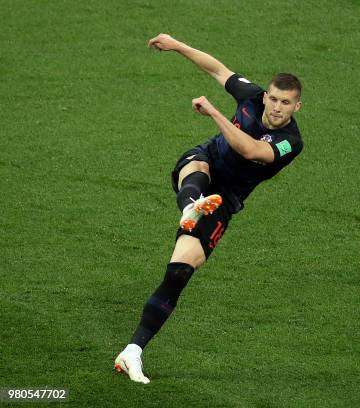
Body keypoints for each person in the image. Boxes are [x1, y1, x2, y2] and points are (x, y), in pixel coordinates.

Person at [114, 33, 303, 384]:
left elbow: (251, 151)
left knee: (180, 271)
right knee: (197, 169)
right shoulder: (251, 96)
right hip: (204, 163)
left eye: (285, 103)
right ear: (266, 96)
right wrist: (178, 46)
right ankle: (190, 206)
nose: (276, 107)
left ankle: (132, 351)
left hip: (225, 200)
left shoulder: (292, 142)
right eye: (273, 99)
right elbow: (217, 69)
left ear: (296, 108)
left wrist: (214, 112)